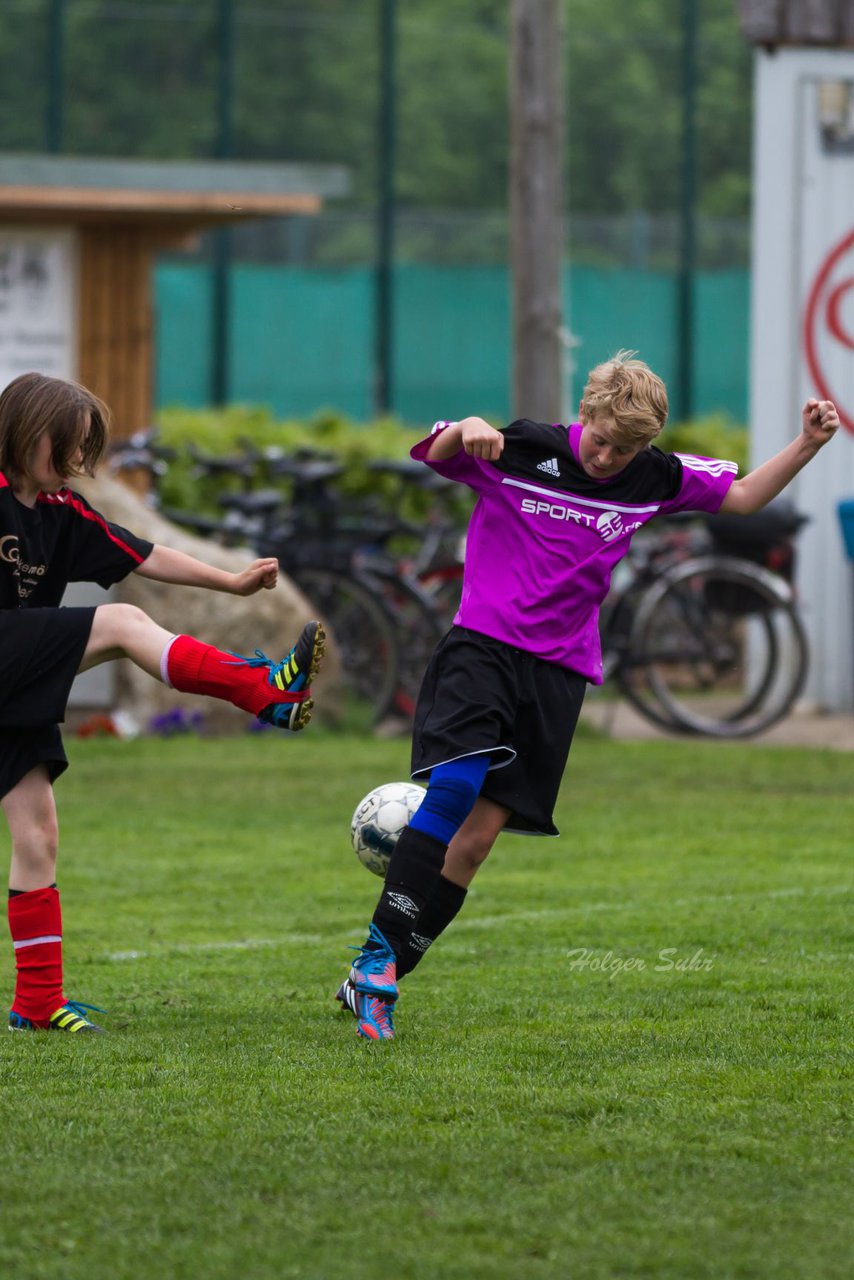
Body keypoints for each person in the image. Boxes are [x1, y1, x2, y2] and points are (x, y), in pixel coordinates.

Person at [335, 350, 841, 1040]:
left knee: (478, 842)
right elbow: (438, 448)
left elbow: (745, 496)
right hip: (482, 648)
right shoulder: (523, 448)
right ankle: (374, 962)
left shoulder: (654, 476)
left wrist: (808, 443)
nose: (608, 457)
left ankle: (381, 976)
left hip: (560, 671)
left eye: (626, 448)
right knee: (452, 795)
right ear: (585, 414)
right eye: (602, 439)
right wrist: (473, 426)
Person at [0, 371, 326, 1034]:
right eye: (67, 447)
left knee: (38, 834)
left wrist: (232, 584)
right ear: (31, 434)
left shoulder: (63, 513)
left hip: (14, 682)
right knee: (121, 626)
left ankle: (36, 1004)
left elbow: (144, 556)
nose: (76, 463)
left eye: (84, 450)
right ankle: (264, 690)